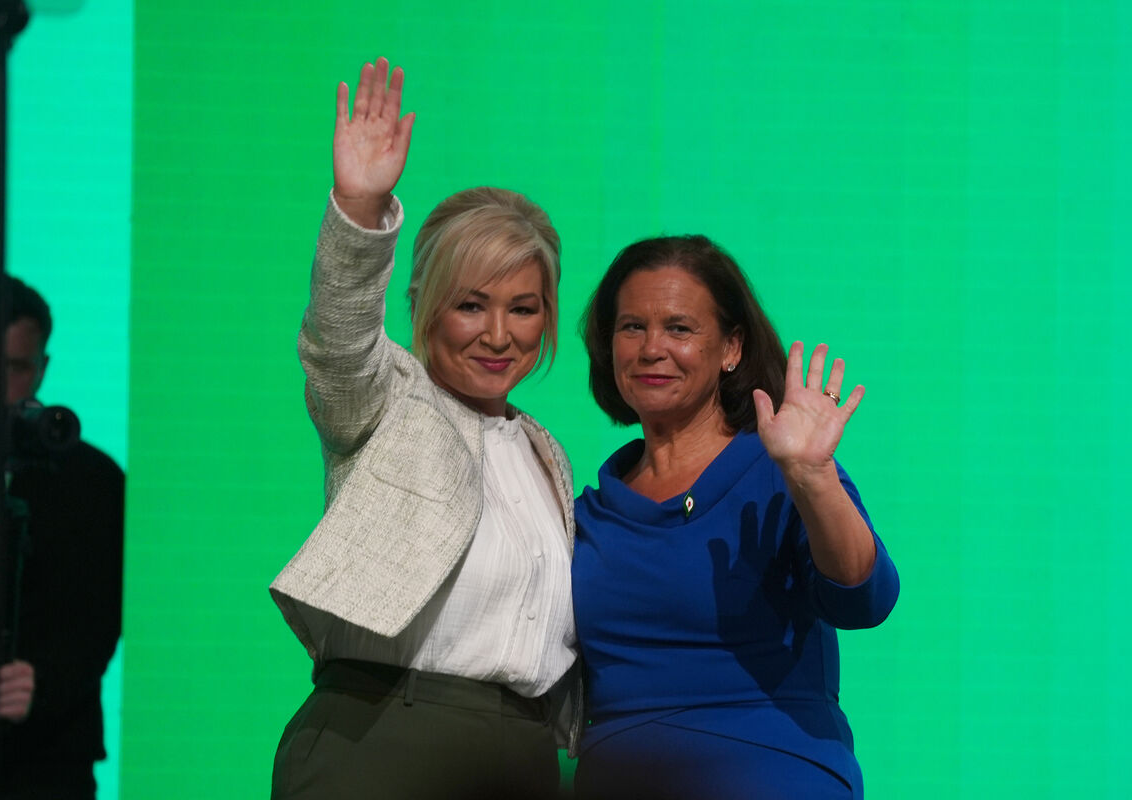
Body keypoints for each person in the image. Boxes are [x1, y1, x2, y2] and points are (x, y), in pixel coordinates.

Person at [269, 59, 579, 800]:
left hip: (525, 758)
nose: (499, 334)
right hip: (380, 743)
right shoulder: (389, 401)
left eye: (524, 307)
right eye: (471, 304)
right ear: (424, 303)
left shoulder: (547, 455)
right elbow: (339, 343)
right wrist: (359, 208)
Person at [572, 235, 900, 800]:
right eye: (632, 327)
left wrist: (812, 476)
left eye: (679, 328)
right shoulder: (587, 513)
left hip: (773, 774)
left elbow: (865, 600)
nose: (652, 348)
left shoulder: (779, 466)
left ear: (731, 348)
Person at [0, 275, 125, 800]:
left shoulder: (93, 481)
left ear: (42, 369)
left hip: (46, 758)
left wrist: (46, 683)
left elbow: (101, 619)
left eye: (14, 368)